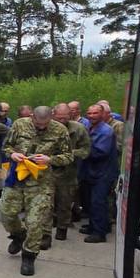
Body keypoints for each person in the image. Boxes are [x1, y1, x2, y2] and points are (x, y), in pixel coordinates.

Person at [1, 105, 71, 276]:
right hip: (17, 179)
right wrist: (12, 154)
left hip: (42, 183)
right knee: (7, 214)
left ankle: (29, 256)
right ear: (32, 117)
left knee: (35, 222)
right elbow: (6, 146)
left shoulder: (60, 130)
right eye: (38, 124)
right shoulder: (19, 124)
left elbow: (68, 156)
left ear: (51, 118)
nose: (41, 128)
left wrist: (50, 159)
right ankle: (18, 235)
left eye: (45, 125)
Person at [47, 104, 90, 245]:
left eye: (65, 118)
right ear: (53, 115)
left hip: (68, 173)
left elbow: (86, 150)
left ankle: (62, 228)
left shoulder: (79, 129)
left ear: (70, 116)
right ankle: (45, 233)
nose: (62, 121)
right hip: (47, 172)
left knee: (64, 204)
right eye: (59, 118)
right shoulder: (46, 127)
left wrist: (69, 154)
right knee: (45, 204)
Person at [79, 103, 118, 244]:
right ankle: (94, 225)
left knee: (98, 202)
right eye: (89, 113)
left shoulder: (106, 131)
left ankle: (99, 233)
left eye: (95, 113)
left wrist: (79, 152)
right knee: (91, 201)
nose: (92, 116)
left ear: (102, 114)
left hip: (103, 173)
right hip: (92, 172)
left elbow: (99, 152)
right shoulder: (90, 127)